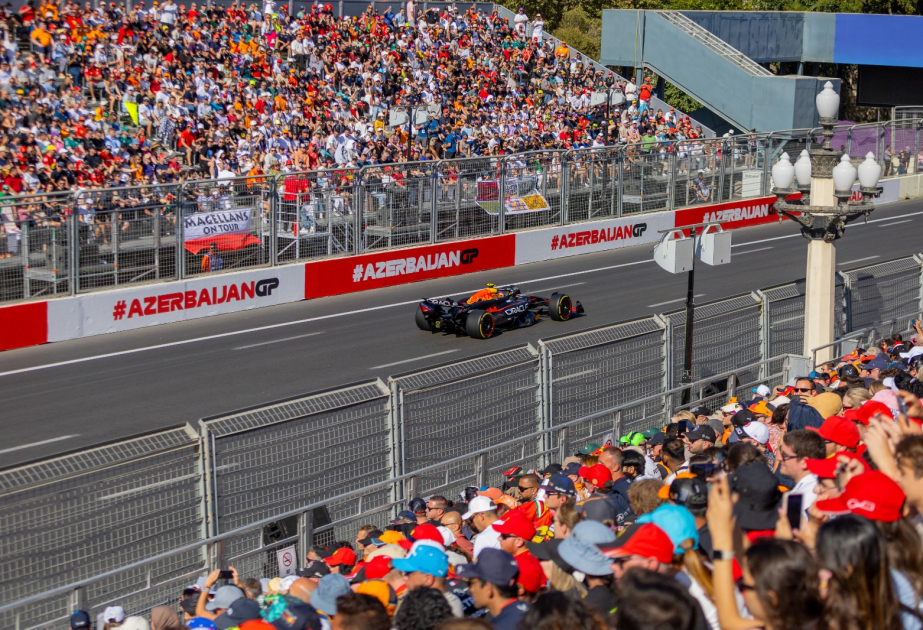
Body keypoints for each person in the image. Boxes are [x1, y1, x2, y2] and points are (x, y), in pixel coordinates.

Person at [456, 549, 529, 630]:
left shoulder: (497, 627)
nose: (470, 589)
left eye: (471, 583)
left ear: (488, 588)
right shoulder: (532, 611)